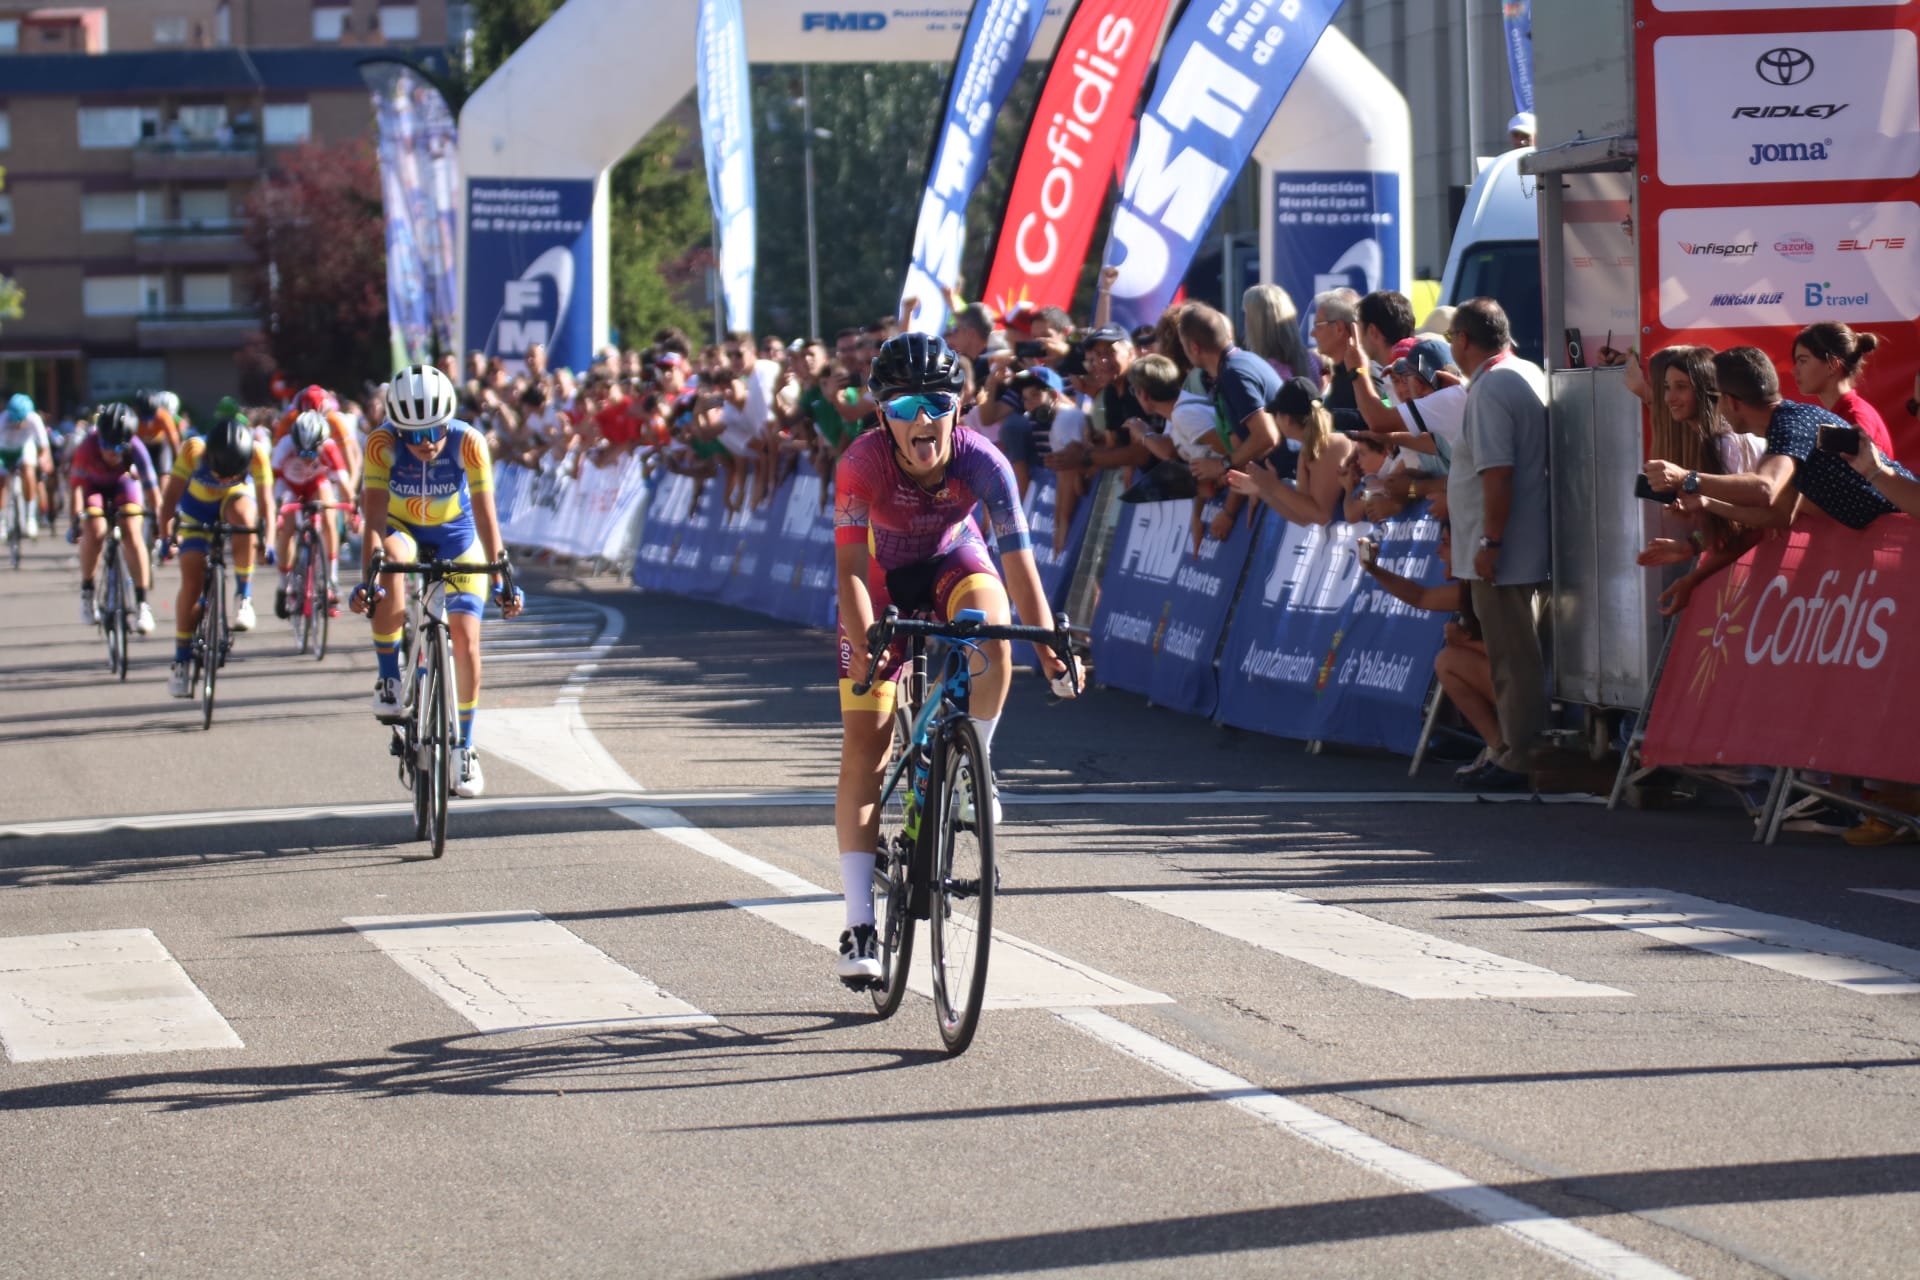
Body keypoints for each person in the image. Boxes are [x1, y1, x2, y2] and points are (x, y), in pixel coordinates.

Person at [830, 333, 1074, 986]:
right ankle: (858, 923)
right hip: (879, 584)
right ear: (883, 413)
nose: (922, 418)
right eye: (905, 403)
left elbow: (1020, 566)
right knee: (867, 744)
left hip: (951, 562)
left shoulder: (983, 461)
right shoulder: (860, 464)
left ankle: (973, 769)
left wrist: (1050, 646)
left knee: (995, 633)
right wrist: (871, 643)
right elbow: (850, 570)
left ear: (960, 405)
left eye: (937, 401)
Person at [351, 364, 523, 800]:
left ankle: (464, 747)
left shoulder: (468, 442)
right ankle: (389, 676)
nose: (426, 443)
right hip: (401, 531)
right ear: (397, 428)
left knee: (465, 642)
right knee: (390, 560)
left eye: (435, 431)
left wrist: (502, 570)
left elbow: (486, 516)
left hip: (457, 535)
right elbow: (372, 520)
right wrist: (368, 579)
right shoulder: (381, 444)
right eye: (414, 434)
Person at [1446, 297, 1551, 789]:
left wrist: (1490, 540)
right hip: (1522, 543)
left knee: (1512, 659)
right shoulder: (1525, 371)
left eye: (1451, 339)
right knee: (1516, 656)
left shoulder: (1492, 388)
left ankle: (1520, 757)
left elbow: (1498, 474)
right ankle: (1512, 746)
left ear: (1464, 340)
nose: (1450, 347)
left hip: (1505, 550)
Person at [1675, 347, 1912, 533]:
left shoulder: (1789, 426)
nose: (1718, 410)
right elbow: (1780, 516)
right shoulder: (1787, 424)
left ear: (1732, 402)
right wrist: (1707, 503)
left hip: (1906, 529)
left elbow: (1765, 487)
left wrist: (1687, 479)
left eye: (1716, 399)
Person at [156, 415, 275, 698]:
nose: (223, 479)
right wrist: (165, 537)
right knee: (192, 578)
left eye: (232, 474)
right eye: (220, 473)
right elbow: (170, 499)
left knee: (245, 517)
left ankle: (243, 597)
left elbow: (267, 505)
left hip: (234, 502)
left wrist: (267, 544)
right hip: (197, 509)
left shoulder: (257, 454)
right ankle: (181, 659)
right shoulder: (193, 450)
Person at [68, 403, 159, 635]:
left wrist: (159, 519)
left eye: (119, 448)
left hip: (123, 484)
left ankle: (141, 603)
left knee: (131, 528)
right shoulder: (87, 446)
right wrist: (75, 520)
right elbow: (77, 490)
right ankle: (87, 589)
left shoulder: (137, 448)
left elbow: (151, 489)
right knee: (95, 529)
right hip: (93, 487)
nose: (111, 453)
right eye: (106, 446)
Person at [1224, 377, 1354, 527]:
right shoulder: (1307, 451)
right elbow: (1303, 517)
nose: (1275, 420)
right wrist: (1262, 489)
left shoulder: (1332, 444)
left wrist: (1274, 487)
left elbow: (1322, 515)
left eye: (1276, 414)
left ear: (1287, 419)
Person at [271, 409, 355, 617]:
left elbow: (344, 486)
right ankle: (283, 586)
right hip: (289, 484)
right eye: (302, 453)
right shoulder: (284, 447)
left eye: (312, 454)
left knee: (329, 513)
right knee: (288, 527)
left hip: (315, 482)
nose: (307, 459)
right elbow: (270, 484)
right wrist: (276, 513)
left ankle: (331, 579)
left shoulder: (329, 448)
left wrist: (353, 511)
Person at [1789, 323, 1899, 460]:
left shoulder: (1854, 417)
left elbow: (1859, 476)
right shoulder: (1844, 413)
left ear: (1832, 365)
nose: (1794, 371)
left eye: (1803, 361)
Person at [0, 393, 44, 538]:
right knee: (1, 479)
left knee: (28, 470)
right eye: (15, 420)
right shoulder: (3, 420)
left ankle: (30, 518)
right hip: (4, 451)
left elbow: (43, 447)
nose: (18, 425)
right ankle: (2, 522)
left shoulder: (34, 419)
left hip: (23, 449)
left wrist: (44, 461)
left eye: (21, 420)